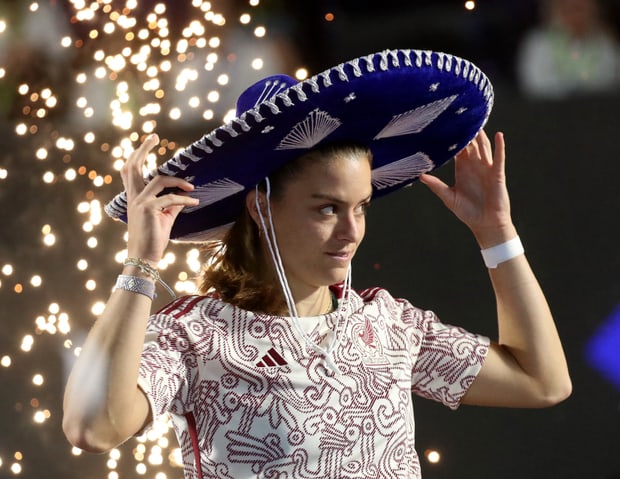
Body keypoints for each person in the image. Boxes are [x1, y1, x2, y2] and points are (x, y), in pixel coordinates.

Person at [62, 49, 571, 478]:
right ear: (260, 206)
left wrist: (497, 235)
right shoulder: (193, 336)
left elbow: (543, 382)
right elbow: (92, 427)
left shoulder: (388, 325)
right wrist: (140, 263)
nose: (351, 232)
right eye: (327, 208)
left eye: (361, 207)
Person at [516, 0, 620, 98]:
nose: (576, 16)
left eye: (581, 9)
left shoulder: (605, 45)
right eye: (569, 9)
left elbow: (608, 83)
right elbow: (536, 85)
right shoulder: (539, 44)